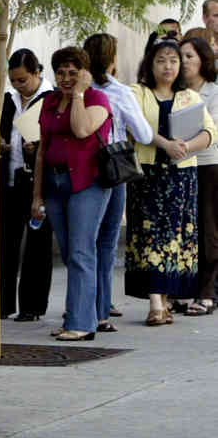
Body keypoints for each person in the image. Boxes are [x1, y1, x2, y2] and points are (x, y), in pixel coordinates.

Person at [126, 39, 216, 324]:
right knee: (151, 235)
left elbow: (209, 132)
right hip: (149, 174)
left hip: (182, 175)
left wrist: (186, 147)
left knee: (175, 238)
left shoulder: (190, 96)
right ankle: (155, 303)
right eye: (161, 60)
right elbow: (136, 126)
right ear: (150, 64)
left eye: (174, 61)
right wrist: (164, 143)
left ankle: (164, 301)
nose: (168, 67)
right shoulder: (137, 92)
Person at [32, 46, 113, 341]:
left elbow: (81, 129)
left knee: (81, 251)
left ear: (84, 73)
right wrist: (36, 195)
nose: (66, 78)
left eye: (73, 72)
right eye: (61, 72)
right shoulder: (49, 102)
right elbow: (42, 149)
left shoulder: (97, 99)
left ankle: (82, 323)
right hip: (54, 184)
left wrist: (78, 93)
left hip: (87, 183)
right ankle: (76, 317)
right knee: (69, 253)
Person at [82, 34, 155, 332]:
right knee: (106, 242)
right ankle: (101, 310)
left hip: (77, 171)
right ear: (113, 59)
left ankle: (81, 308)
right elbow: (145, 135)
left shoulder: (77, 89)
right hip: (110, 171)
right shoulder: (121, 92)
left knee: (81, 243)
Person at [0, 48, 54, 322]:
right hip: (9, 175)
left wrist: (38, 148)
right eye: (14, 80)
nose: (18, 85)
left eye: (23, 80)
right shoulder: (8, 98)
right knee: (6, 241)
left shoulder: (50, 98)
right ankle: (3, 302)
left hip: (37, 178)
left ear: (36, 73)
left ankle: (32, 306)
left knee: (37, 243)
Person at [179, 36, 218, 312]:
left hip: (208, 163)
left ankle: (207, 291)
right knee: (184, 230)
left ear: (204, 59)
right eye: (180, 56)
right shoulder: (175, 91)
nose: (183, 62)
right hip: (180, 165)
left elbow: (212, 131)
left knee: (208, 228)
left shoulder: (214, 91)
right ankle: (183, 289)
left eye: (189, 56)